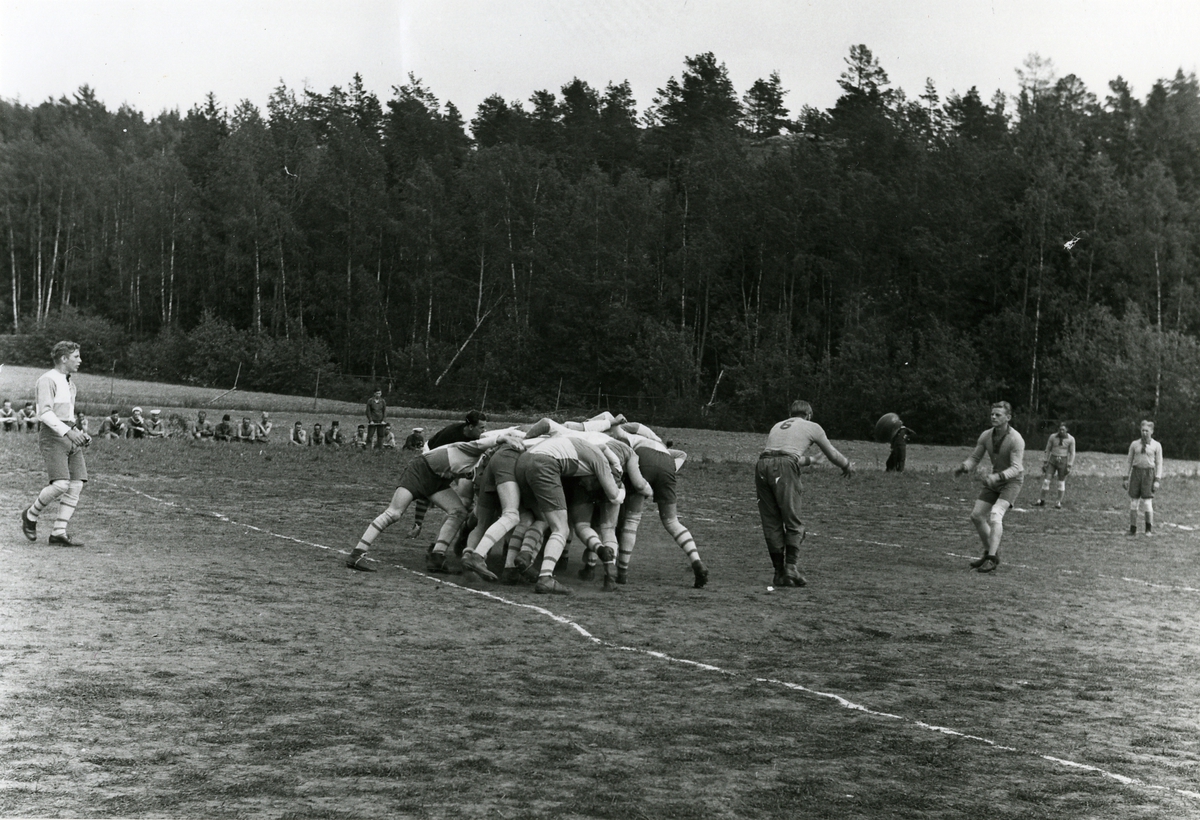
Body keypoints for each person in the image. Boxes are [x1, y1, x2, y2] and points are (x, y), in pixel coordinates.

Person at [345, 427, 525, 572]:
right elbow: (482, 442)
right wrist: (504, 438)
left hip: (435, 479)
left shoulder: (477, 463)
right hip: (419, 470)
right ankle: (357, 553)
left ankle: (437, 557)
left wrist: (419, 521)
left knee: (458, 512)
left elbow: (427, 496)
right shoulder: (472, 449)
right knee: (394, 513)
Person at [756, 400, 855, 588]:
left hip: (762, 466)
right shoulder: (812, 426)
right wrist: (846, 464)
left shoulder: (777, 426)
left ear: (791, 413)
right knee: (793, 520)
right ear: (808, 414)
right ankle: (791, 568)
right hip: (784, 468)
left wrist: (810, 460)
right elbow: (832, 453)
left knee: (771, 522)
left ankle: (778, 573)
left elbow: (782, 454)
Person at [19, 341, 90, 547]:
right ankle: (30, 515)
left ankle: (58, 532)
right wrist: (68, 432)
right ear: (64, 358)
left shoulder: (70, 383)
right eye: (76, 356)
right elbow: (45, 413)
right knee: (60, 484)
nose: (80, 360)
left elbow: (67, 416)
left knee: (76, 484)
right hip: (53, 436)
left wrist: (79, 433)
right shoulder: (47, 380)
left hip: (68, 435)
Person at [953, 401, 1025, 573]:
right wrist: (964, 467)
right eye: (992, 414)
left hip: (1011, 480)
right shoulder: (986, 435)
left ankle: (992, 559)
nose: (993, 417)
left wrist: (997, 476)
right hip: (995, 479)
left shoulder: (1016, 439)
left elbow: (1016, 468)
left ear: (1008, 418)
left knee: (995, 514)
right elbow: (975, 457)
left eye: (998, 414)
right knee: (977, 516)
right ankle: (989, 553)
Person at [409, 410, 490, 538]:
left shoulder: (476, 435)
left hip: (457, 457)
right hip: (434, 453)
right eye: (481, 427)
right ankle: (418, 524)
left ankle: (462, 526)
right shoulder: (451, 434)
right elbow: (435, 455)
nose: (484, 431)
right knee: (429, 488)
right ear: (470, 427)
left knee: (466, 497)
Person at [1124, 419, 1163, 536]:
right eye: (1142, 430)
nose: (1144, 433)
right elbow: (1129, 461)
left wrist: (1157, 479)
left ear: (1152, 431)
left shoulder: (1156, 445)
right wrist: (1126, 477)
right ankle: (1133, 529)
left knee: (1147, 502)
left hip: (1149, 474)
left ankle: (1148, 529)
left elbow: (1159, 463)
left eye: (1147, 430)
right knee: (1134, 502)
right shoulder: (1134, 444)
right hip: (1136, 473)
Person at [1035, 423, 1076, 508]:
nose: (1061, 431)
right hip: (1052, 460)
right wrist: (1045, 461)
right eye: (1060, 429)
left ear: (1066, 430)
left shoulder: (1071, 439)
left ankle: (1058, 502)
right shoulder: (1053, 437)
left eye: (1063, 430)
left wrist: (1069, 465)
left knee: (1061, 482)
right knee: (1046, 481)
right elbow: (1048, 449)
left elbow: (1072, 453)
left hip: (1063, 461)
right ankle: (1041, 500)